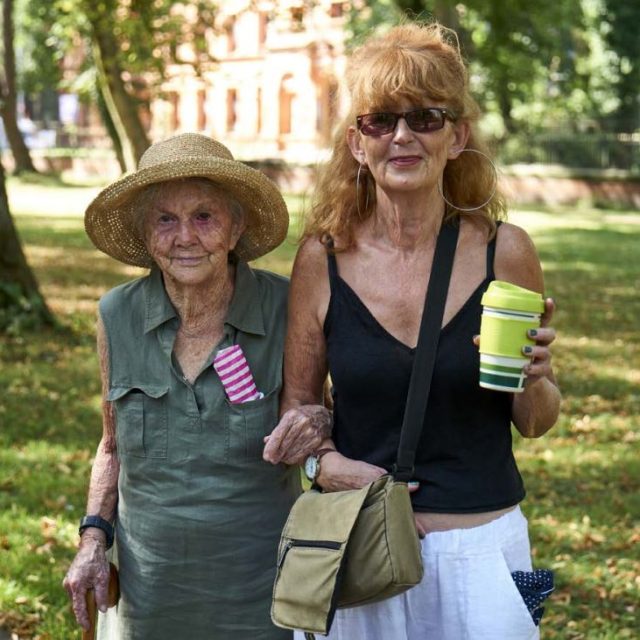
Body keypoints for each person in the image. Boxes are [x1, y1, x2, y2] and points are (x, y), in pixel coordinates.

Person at [263, 22, 561, 640]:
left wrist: (534, 378)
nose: (402, 136)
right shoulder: (323, 257)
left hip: (479, 555)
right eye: (380, 121)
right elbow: (298, 401)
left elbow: (534, 420)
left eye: (426, 117)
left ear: (458, 138)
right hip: (358, 547)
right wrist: (327, 464)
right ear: (355, 142)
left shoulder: (504, 252)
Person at [63, 133, 330, 640]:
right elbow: (111, 442)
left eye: (204, 216)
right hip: (150, 594)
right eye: (165, 219)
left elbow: (325, 418)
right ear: (146, 235)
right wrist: (93, 539)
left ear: (236, 227)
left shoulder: (287, 306)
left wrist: (317, 422)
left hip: (264, 594)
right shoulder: (115, 314)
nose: (184, 236)